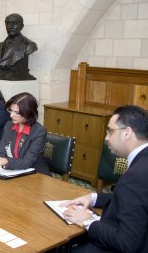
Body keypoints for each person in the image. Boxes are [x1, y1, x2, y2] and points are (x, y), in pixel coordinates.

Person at [61, 105, 148, 252]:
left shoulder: (136, 175)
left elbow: (127, 243)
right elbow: (132, 199)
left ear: (127, 133)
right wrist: (93, 198)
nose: (106, 138)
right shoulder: (143, 161)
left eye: (110, 131)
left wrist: (88, 221)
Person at [0, 92, 51, 175]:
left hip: (36, 175)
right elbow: (0, 152)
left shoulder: (38, 132)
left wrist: (6, 161)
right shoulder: (9, 125)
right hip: (15, 172)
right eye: (11, 110)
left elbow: (27, 162)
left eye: (16, 112)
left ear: (28, 113)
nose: (11, 115)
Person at [0, 13, 38, 80]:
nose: (10, 26)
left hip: (19, 77)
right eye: (8, 23)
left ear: (22, 26)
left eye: (14, 23)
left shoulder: (29, 45)